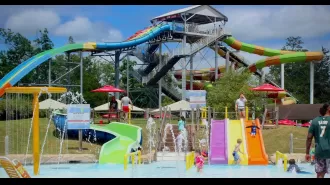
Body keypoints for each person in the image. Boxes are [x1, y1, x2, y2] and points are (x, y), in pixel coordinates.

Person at [306, 103, 330, 178]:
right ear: (328, 109)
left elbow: (309, 137)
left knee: (320, 175)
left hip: (319, 152)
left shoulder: (315, 121)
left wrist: (307, 153)